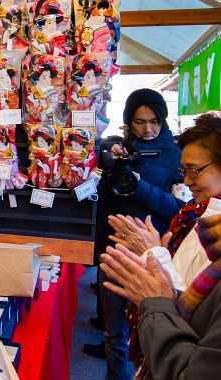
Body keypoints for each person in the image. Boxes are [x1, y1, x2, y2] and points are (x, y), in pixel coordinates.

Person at [104, 111, 221, 377]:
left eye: (194, 170)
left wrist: (153, 256)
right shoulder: (203, 213)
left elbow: (183, 293)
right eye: (184, 170)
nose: (187, 180)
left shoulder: (205, 219)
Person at [83, 89, 182, 380]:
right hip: (114, 249)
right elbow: (104, 200)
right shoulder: (120, 149)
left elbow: (177, 209)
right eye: (139, 121)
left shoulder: (175, 156)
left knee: (151, 330)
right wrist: (106, 164)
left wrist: (140, 187)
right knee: (114, 331)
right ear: (129, 121)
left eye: (154, 121)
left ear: (162, 120)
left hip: (150, 255)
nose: (147, 128)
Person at [99, 209, 221, 380]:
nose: (187, 181)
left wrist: (158, 302)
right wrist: (171, 296)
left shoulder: (207, 219)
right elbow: (201, 309)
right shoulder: (204, 219)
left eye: (196, 178)